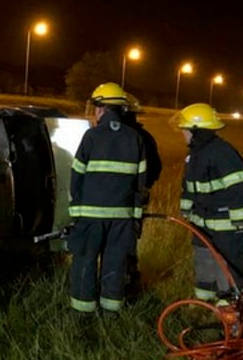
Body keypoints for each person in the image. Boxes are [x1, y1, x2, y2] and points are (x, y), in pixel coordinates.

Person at [68, 82, 147, 318]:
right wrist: (136, 218)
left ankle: (83, 313)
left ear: (101, 109)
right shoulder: (135, 139)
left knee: (85, 261)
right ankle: (111, 313)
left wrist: (75, 212)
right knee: (115, 262)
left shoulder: (91, 136)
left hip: (90, 217)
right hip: (122, 217)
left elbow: (76, 176)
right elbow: (139, 183)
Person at [177, 103, 243, 303]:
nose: (182, 132)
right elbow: (189, 188)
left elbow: (239, 188)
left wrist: (238, 225)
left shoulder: (222, 153)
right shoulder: (195, 155)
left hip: (226, 226)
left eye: (185, 128)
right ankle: (204, 304)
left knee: (227, 269)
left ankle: (229, 312)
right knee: (204, 264)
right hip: (202, 224)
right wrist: (186, 212)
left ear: (196, 130)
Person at [122, 93, 162, 297]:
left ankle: (122, 284)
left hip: (116, 200)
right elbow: (156, 169)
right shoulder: (145, 138)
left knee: (116, 241)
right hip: (138, 200)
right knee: (130, 240)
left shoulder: (115, 136)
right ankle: (131, 280)